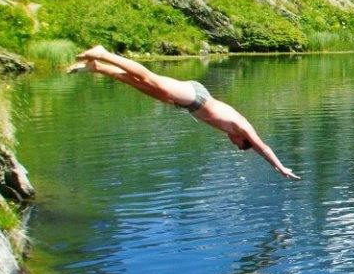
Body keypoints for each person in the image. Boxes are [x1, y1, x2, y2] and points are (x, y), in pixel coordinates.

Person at [68, 45, 300, 179]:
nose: (233, 143)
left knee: (141, 85)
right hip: (195, 96)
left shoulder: (233, 129)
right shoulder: (242, 127)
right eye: (237, 144)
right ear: (243, 139)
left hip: (187, 102)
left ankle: (97, 67)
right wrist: (280, 168)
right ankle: (102, 53)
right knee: (150, 78)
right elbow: (264, 148)